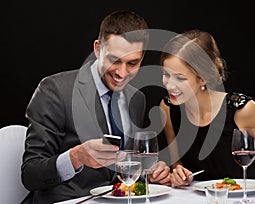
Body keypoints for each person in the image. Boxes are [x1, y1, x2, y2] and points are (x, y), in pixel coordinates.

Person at [21, 10, 170, 204]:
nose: (122, 73)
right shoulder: (55, 90)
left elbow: (125, 169)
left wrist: (149, 173)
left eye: (132, 63)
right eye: (114, 60)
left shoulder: (137, 99)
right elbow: (30, 174)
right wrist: (75, 157)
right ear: (98, 49)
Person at [159, 29, 255, 188]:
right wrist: (178, 174)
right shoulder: (168, 108)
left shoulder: (242, 111)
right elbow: (178, 164)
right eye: (166, 74)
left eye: (179, 78)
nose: (169, 85)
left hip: (252, 197)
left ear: (203, 78)